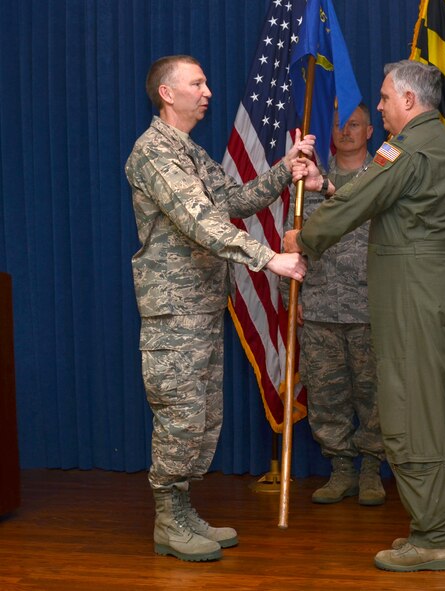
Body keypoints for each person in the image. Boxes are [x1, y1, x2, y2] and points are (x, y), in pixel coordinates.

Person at [284, 60, 445, 572]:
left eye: (387, 99)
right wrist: (327, 187)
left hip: (415, 294)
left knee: (412, 415)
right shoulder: (436, 140)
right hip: (442, 286)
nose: (383, 107)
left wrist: (301, 238)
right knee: (439, 413)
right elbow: (376, 193)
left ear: (409, 102)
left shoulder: (409, 146)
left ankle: (434, 536)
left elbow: (362, 200)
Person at [125, 55, 311, 562]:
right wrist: (270, 258)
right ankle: (168, 518)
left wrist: (284, 168)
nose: (207, 91)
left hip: (203, 306)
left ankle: (182, 510)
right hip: (174, 311)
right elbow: (200, 221)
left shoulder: (188, 151)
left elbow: (230, 197)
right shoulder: (154, 152)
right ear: (167, 93)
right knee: (181, 415)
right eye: (197, 83)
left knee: (202, 417)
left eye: (207, 81)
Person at [284, 104, 386, 506]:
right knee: (326, 395)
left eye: (355, 124)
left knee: (375, 395)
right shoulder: (305, 182)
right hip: (322, 306)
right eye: (340, 124)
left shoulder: (382, 175)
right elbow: (291, 241)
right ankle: (341, 469)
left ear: (370, 131)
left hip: (369, 308)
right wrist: (291, 299)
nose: (346, 131)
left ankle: (371, 470)